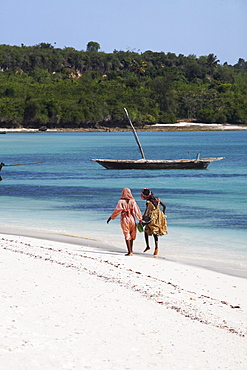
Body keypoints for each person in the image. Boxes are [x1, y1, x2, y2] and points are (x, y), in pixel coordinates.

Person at [107, 188, 142, 256]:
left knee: (126, 233)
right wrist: (140, 219)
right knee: (132, 234)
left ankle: (129, 252)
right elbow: (137, 211)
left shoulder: (120, 201)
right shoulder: (133, 201)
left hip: (124, 218)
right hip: (132, 218)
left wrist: (111, 218)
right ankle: (131, 251)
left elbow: (117, 211)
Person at [141, 188, 168, 256]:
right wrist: (163, 214)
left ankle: (148, 246)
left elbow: (146, 211)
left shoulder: (148, 201)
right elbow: (164, 206)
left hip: (151, 217)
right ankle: (156, 248)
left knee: (146, 231)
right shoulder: (157, 199)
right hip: (159, 216)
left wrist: (142, 218)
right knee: (155, 232)